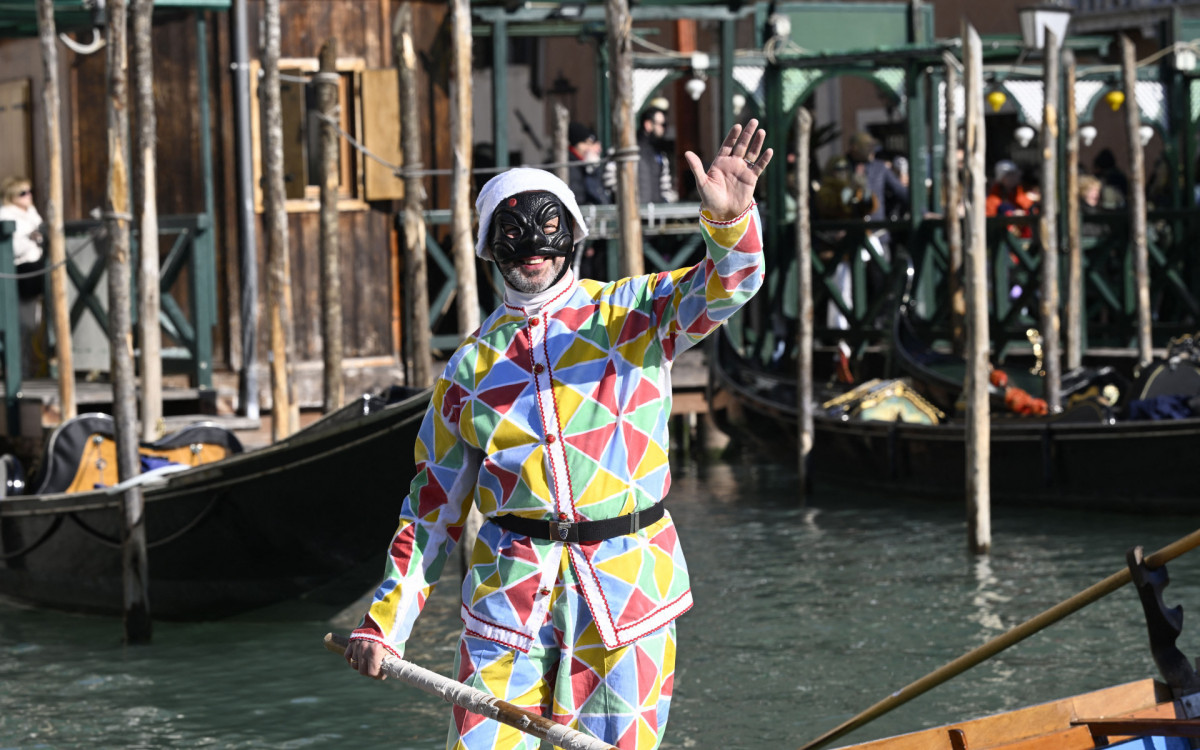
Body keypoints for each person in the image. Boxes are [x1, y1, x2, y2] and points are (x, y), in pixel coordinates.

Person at [344, 120, 773, 749]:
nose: (532, 248)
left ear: (572, 235)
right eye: (512, 235)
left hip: (630, 596)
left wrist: (731, 225)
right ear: (491, 248)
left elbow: (729, 284)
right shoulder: (467, 371)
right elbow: (430, 512)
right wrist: (384, 625)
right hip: (506, 605)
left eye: (546, 231)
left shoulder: (633, 315)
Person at [0, 176, 46, 378]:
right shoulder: (4, 215)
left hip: (37, 272)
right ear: (11, 196)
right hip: (18, 276)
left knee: (34, 325)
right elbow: (11, 248)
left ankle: (30, 369)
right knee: (20, 326)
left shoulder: (32, 214)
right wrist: (31, 239)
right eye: (23, 193)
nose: (29, 196)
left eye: (29, 191)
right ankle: (18, 372)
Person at [635, 107, 678, 204]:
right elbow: (612, 181)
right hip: (633, 215)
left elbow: (665, 186)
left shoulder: (660, 154)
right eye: (662, 125)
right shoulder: (630, 150)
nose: (664, 128)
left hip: (656, 214)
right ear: (648, 125)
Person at [565, 122, 608, 207]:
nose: (589, 148)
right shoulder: (572, 166)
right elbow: (580, 198)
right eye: (586, 143)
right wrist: (591, 172)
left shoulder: (580, 165)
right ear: (575, 144)